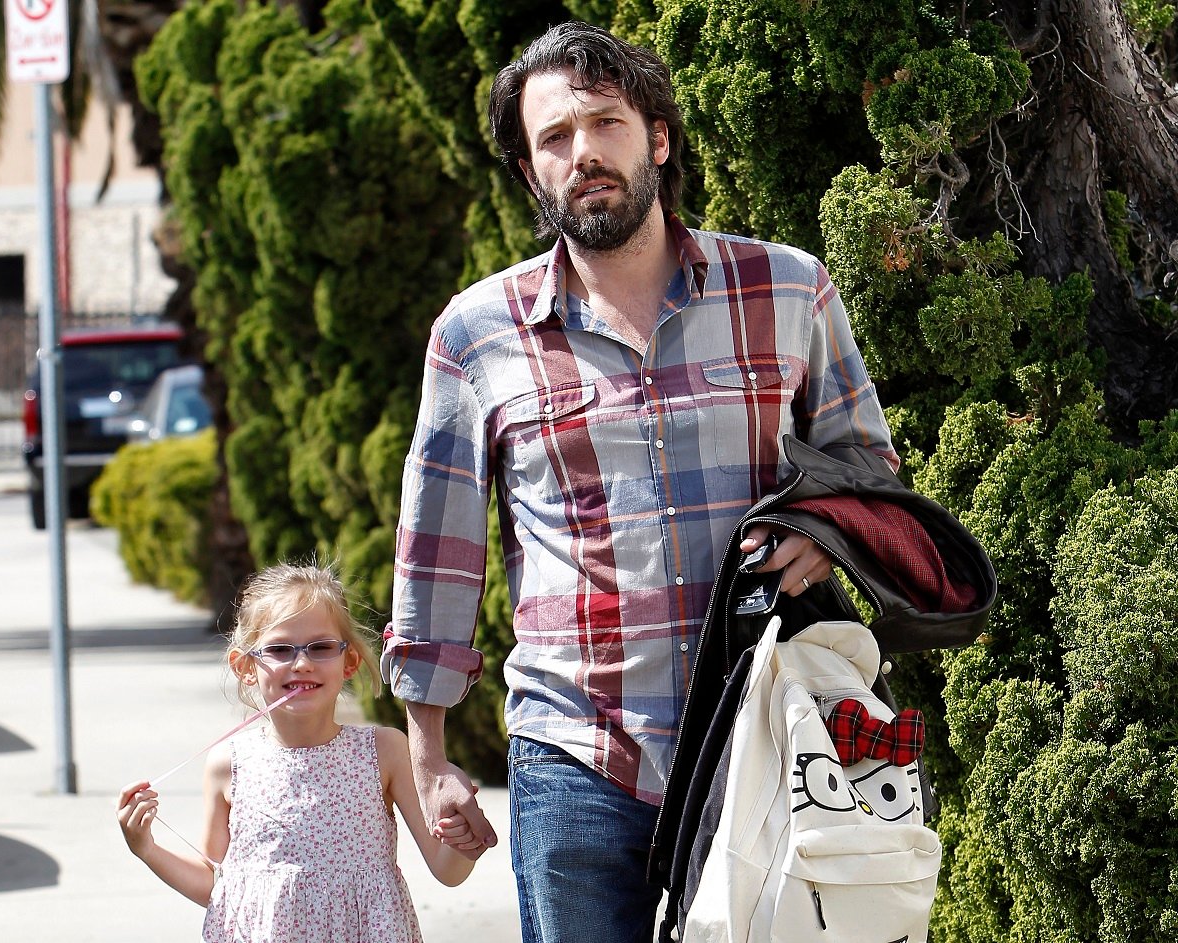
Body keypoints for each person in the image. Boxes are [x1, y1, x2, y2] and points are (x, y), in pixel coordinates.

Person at [381, 20, 899, 943]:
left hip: (766, 742)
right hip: (575, 760)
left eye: (604, 124)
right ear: (531, 173)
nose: (583, 154)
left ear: (656, 136)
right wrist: (429, 755)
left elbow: (867, 466)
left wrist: (824, 534)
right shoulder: (474, 336)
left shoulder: (788, 291)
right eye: (553, 139)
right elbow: (440, 556)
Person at [118, 563, 474, 943]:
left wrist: (462, 837)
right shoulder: (229, 764)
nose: (301, 662)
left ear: (349, 661)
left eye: (320, 647)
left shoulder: (382, 751)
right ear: (246, 666)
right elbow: (215, 885)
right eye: (279, 649)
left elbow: (447, 870)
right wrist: (146, 847)